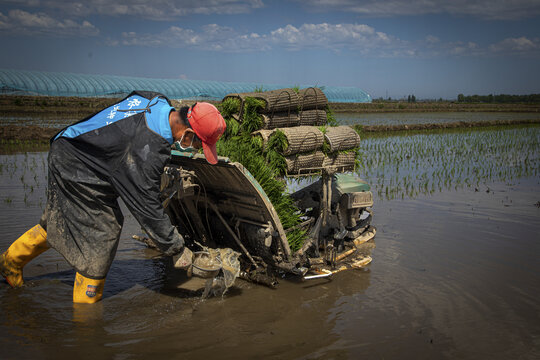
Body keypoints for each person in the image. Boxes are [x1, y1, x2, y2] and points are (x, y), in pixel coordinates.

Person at [0, 91, 226, 303]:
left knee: (65, 218)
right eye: (198, 144)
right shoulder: (146, 149)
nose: (195, 150)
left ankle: (11, 262)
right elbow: (147, 209)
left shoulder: (157, 100)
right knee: (103, 231)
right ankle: (85, 322)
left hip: (79, 148)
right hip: (76, 164)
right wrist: (177, 249)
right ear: (187, 135)